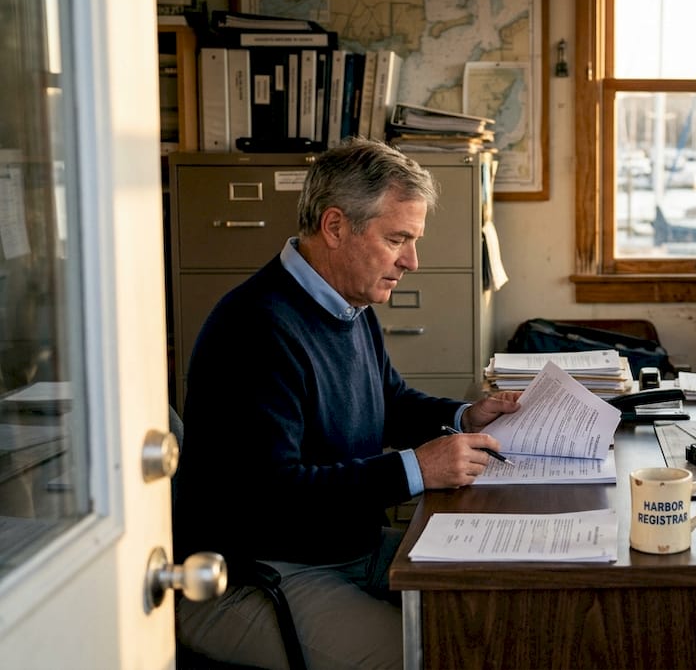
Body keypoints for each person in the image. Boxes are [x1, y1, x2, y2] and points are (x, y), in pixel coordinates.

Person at [173, 138, 520, 670]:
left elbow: (390, 400)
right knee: (434, 654)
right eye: (397, 239)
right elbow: (273, 493)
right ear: (335, 227)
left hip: (343, 549)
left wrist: (462, 416)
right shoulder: (255, 328)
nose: (412, 261)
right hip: (256, 571)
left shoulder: (347, 303)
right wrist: (416, 469)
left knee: (496, 602)